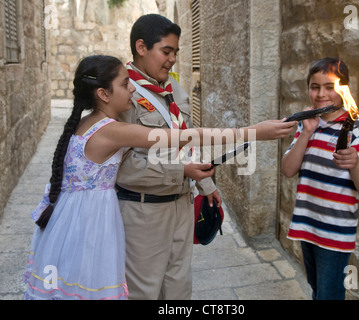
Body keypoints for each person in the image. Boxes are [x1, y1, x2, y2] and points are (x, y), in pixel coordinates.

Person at [23, 54, 296, 300]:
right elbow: (184, 137)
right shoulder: (112, 129)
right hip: (93, 224)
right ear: (104, 94)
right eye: (124, 83)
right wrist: (253, 132)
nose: (132, 88)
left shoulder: (86, 123)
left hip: (71, 221)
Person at [281, 57, 359, 300]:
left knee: (329, 295)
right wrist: (306, 133)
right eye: (315, 87)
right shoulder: (308, 127)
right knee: (317, 290)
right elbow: (287, 169)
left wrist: (355, 163)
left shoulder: (358, 131)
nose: (321, 94)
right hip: (308, 226)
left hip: (335, 234)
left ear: (344, 90)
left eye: (330, 87)